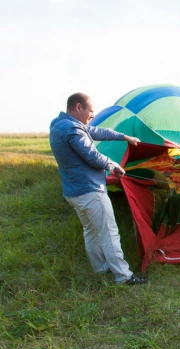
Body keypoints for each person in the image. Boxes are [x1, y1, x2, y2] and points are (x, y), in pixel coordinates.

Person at [49, 92, 147, 285]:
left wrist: (124, 136)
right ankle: (124, 276)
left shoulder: (60, 124)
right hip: (90, 190)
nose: (92, 116)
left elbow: (98, 132)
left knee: (91, 231)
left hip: (73, 192)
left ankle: (100, 269)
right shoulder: (73, 130)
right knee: (109, 233)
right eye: (91, 112)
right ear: (78, 107)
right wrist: (112, 165)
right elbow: (91, 155)